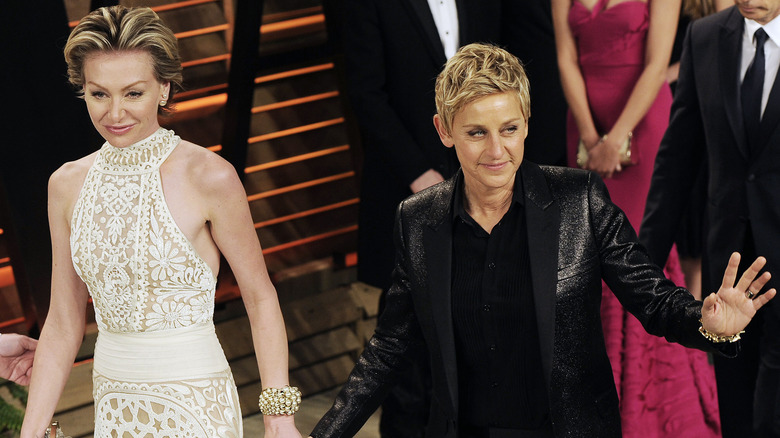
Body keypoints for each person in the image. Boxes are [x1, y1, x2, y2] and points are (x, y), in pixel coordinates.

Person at [307, 42, 775, 438]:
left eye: (509, 129)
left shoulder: (580, 201)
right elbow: (388, 349)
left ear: (527, 123)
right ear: (444, 131)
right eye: (476, 133)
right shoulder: (417, 220)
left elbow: (653, 300)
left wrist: (711, 323)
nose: (496, 151)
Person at [19, 6, 302, 438]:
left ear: (164, 90)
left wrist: (279, 420)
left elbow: (260, 298)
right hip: (114, 406)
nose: (115, 113)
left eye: (133, 93)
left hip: (196, 405)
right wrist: (31, 431)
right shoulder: (65, 184)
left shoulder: (210, 176)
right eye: (99, 94)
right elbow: (62, 322)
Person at [552, 0, 722, 436]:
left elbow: (656, 63)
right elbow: (565, 58)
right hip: (584, 130)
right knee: (587, 260)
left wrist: (617, 138)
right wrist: (592, 137)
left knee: (639, 255)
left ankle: (652, 407)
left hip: (643, 123)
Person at [337, 1, 500, 436]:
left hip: (480, 187)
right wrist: (418, 173)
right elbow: (366, 93)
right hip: (403, 190)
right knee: (406, 353)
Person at [640, 2, 780, 436]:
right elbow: (677, 162)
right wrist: (641, 268)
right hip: (730, 269)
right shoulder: (703, 37)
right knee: (736, 410)